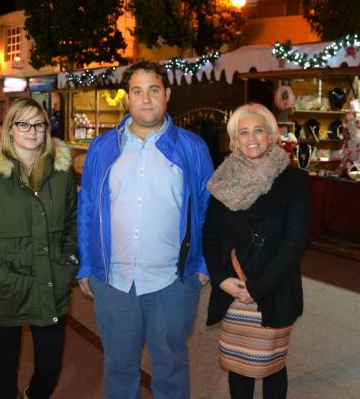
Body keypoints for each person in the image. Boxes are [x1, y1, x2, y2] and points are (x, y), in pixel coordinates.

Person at [76, 61, 214, 399]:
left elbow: (210, 209)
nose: (146, 99)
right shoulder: (103, 147)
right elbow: (88, 208)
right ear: (127, 98)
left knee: (171, 368)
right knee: (119, 367)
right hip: (114, 281)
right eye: (137, 91)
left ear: (166, 95)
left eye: (154, 90)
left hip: (172, 281)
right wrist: (88, 265)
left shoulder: (192, 148)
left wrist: (202, 266)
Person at [0, 97, 78, 399]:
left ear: (46, 129)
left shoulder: (61, 173)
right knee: (5, 365)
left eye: (38, 124)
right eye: (23, 123)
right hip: (6, 286)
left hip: (50, 281)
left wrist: (68, 262)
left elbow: (73, 223)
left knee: (50, 366)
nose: (32, 131)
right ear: (10, 129)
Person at [203, 103, 311, 398]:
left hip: (273, 291)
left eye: (258, 130)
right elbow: (210, 236)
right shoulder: (223, 181)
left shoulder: (293, 181)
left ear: (272, 135)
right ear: (234, 140)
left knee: (272, 365)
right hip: (234, 290)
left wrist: (259, 288)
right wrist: (221, 279)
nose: (251, 138)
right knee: (239, 367)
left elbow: (295, 242)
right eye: (243, 132)